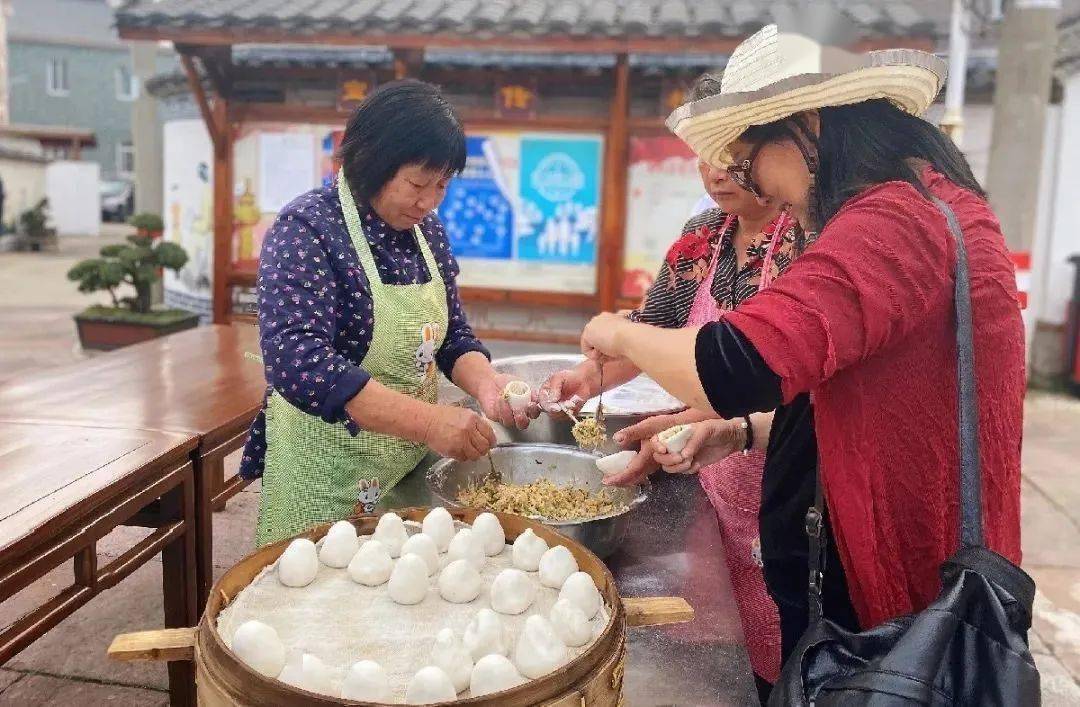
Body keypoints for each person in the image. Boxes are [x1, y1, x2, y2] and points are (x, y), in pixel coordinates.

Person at [573, 24, 1024, 691]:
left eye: (750, 161)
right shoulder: (933, 204)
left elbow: (729, 365)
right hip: (897, 578)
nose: (761, 189)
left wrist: (617, 331)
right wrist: (738, 431)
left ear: (806, 126)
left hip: (895, 600)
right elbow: (856, 395)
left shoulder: (892, 222)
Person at [542, 71, 806, 697]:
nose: (716, 171)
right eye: (703, 157)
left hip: (786, 471)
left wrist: (737, 427)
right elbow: (653, 330)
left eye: (731, 154)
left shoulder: (804, 242)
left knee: (786, 640)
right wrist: (591, 372)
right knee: (724, 649)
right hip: (713, 477)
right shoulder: (701, 241)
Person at [241, 80, 537, 546]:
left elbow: (452, 337)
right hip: (326, 475)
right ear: (373, 162)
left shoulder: (426, 232)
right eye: (418, 184)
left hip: (405, 467)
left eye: (441, 186)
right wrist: (430, 422)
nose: (429, 201)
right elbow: (297, 361)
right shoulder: (307, 230)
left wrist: (488, 386)